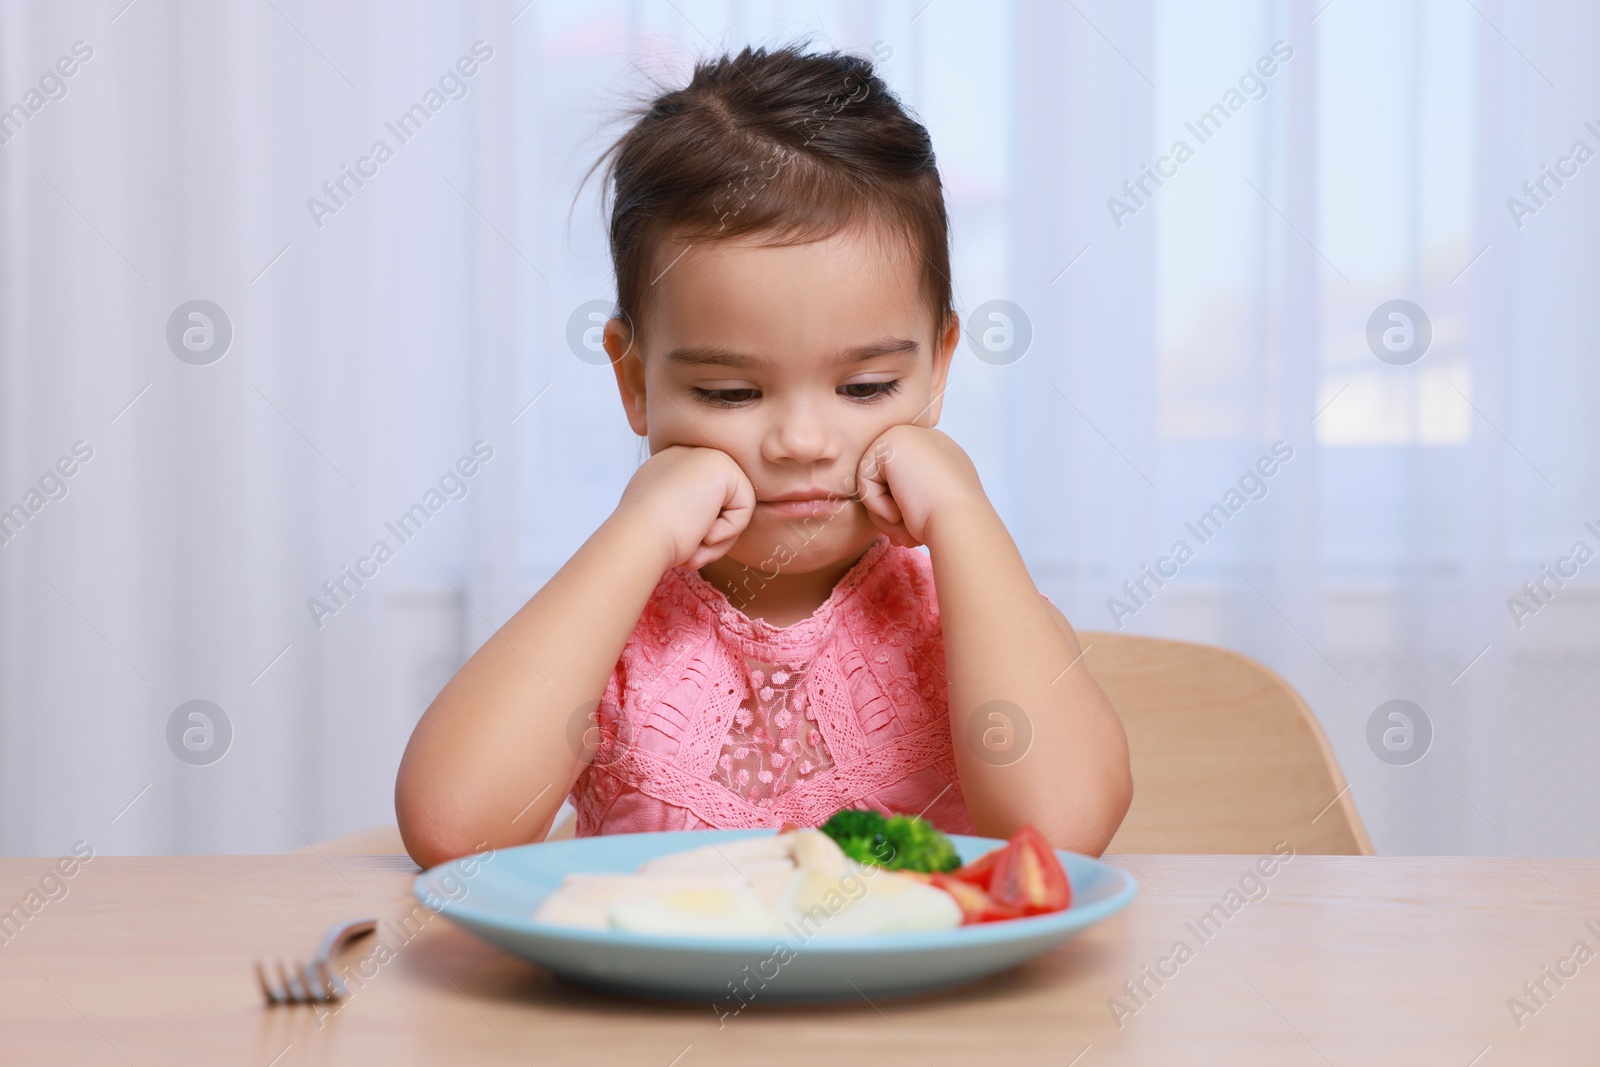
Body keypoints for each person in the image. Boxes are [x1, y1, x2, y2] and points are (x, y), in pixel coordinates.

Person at [395, 42, 1131, 869]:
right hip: (647, 1002)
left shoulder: (963, 611)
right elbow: (453, 827)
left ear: (937, 370)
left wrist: (964, 516)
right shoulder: (613, 621)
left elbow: (1063, 833)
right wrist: (636, 532)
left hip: (922, 1003)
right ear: (635, 381)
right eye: (730, 394)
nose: (802, 443)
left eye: (866, 387)